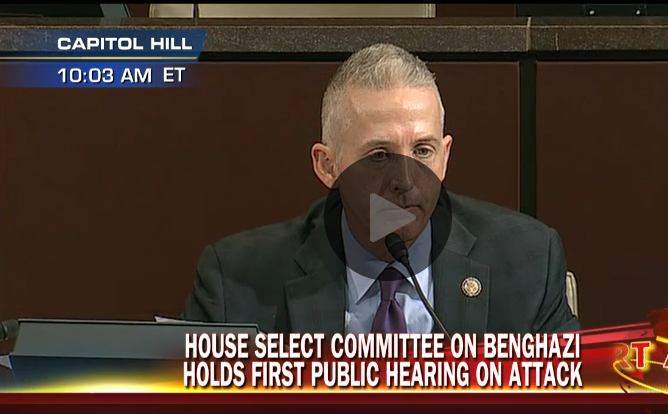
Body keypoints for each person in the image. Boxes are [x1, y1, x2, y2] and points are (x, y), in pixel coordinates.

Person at [182, 43, 580, 335]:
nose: (405, 180)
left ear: (445, 157)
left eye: (422, 151)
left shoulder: (527, 263)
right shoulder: (236, 281)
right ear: (328, 166)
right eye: (379, 155)